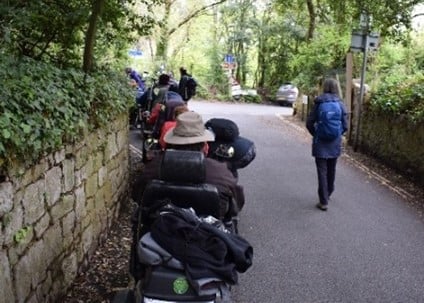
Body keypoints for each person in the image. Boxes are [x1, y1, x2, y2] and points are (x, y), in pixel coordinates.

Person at [132, 111, 245, 217]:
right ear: (205, 147)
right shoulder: (220, 172)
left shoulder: (154, 167)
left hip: (160, 229)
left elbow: (137, 195)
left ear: (172, 143)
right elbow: (235, 206)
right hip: (207, 234)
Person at [306, 78, 348, 211]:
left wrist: (317, 133)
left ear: (324, 87)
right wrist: (337, 134)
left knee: (322, 171)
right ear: (336, 88)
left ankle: (323, 201)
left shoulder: (319, 102)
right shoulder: (340, 103)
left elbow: (309, 123)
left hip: (320, 143)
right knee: (332, 169)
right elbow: (346, 126)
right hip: (334, 143)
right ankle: (328, 192)